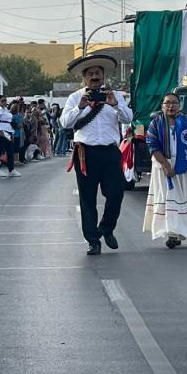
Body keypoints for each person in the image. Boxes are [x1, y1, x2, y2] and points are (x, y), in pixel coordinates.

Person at [59, 55, 133, 255]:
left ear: (103, 76)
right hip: (85, 153)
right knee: (88, 199)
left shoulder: (115, 95)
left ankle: (106, 228)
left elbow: (128, 118)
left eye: (98, 73)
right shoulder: (75, 97)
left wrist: (115, 104)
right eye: (90, 74)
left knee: (116, 193)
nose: (94, 77)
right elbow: (65, 123)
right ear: (84, 78)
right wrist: (80, 107)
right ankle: (93, 240)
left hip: (110, 151)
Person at [143, 93, 187, 248]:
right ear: (162, 106)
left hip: (183, 167)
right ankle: (172, 233)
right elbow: (152, 146)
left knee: (182, 199)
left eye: (174, 103)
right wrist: (166, 166)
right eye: (167, 103)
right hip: (162, 166)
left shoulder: (186, 123)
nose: (171, 106)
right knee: (169, 198)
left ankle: (179, 231)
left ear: (179, 106)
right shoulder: (156, 124)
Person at [0, 95, 19, 178]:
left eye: (5, 101)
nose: (4, 102)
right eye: (2, 101)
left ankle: (11, 169)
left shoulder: (6, 110)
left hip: (8, 131)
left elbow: (9, 121)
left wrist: (11, 132)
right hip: (0, 131)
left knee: (10, 151)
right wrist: (0, 131)